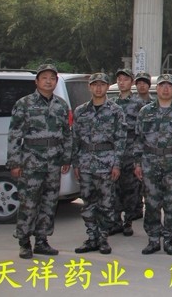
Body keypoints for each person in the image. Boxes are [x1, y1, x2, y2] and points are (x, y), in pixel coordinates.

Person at [7, 63, 73, 259]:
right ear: (36, 81)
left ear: (56, 81)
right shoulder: (24, 104)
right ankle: (24, 241)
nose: (48, 81)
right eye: (44, 78)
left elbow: (67, 134)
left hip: (53, 162)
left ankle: (42, 240)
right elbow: (14, 135)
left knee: (49, 202)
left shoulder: (61, 105)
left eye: (52, 78)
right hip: (31, 162)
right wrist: (14, 162)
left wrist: (66, 158)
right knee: (28, 202)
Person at [133, 73, 172, 256]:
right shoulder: (145, 112)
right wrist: (137, 163)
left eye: (169, 85)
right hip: (150, 163)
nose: (166, 89)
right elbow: (138, 140)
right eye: (162, 85)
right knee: (151, 203)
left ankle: (169, 239)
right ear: (157, 88)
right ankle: (153, 239)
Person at [72, 73, 127, 255]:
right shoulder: (80, 111)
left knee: (106, 203)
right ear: (90, 87)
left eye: (102, 84)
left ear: (107, 87)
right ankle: (91, 237)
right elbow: (75, 138)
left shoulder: (116, 111)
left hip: (106, 163)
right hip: (85, 162)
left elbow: (120, 139)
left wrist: (117, 164)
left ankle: (103, 238)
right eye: (95, 84)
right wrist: (75, 163)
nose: (98, 88)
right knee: (88, 202)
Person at [110, 68, 145, 236]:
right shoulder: (111, 104)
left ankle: (128, 221)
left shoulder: (139, 104)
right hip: (114, 151)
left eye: (125, 79)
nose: (122, 82)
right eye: (119, 79)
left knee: (131, 189)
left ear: (132, 82)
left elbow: (142, 131)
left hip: (131, 150)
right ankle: (115, 221)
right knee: (114, 188)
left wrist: (139, 156)